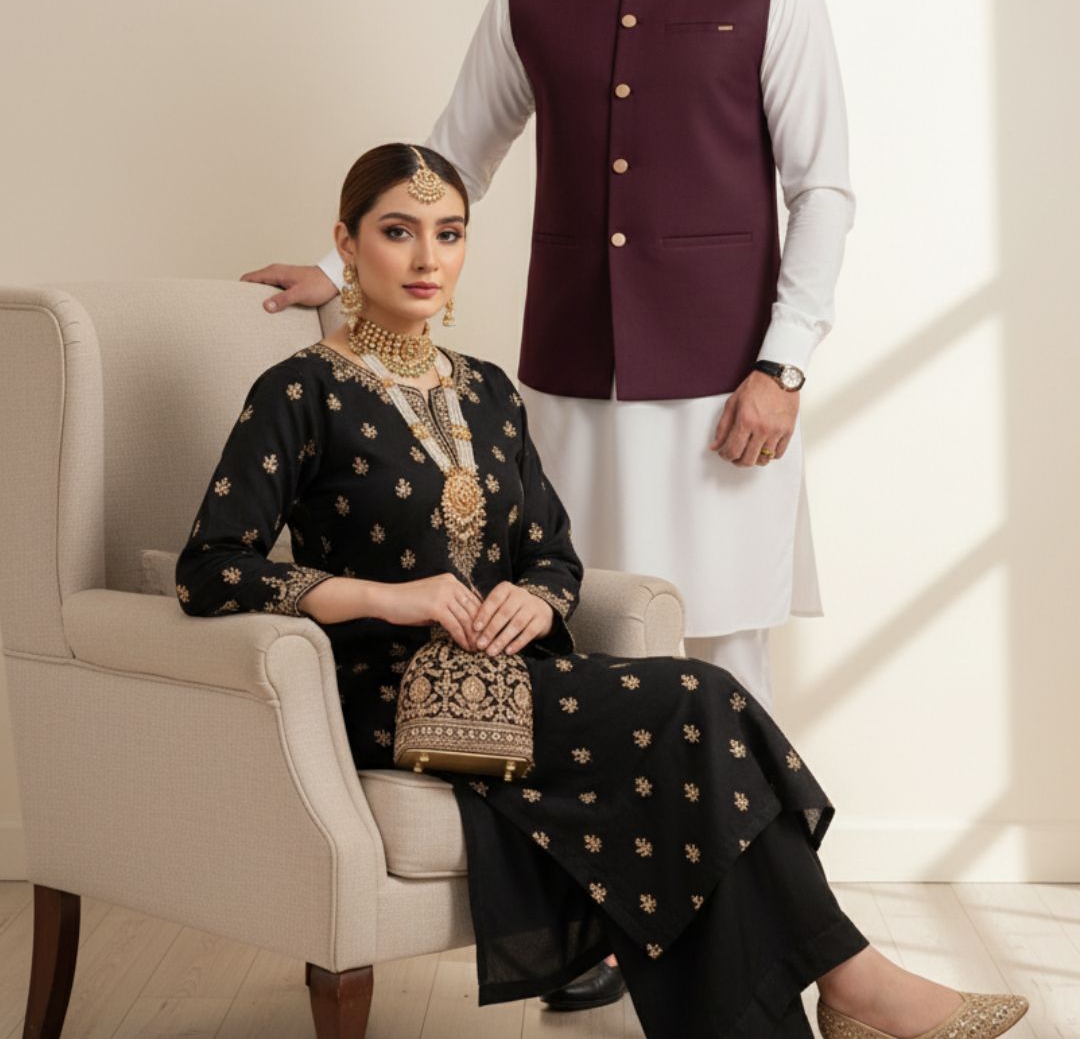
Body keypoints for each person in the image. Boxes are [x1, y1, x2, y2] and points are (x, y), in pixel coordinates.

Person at [180, 143, 1027, 1039]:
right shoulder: (299, 391)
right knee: (698, 700)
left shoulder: (487, 392)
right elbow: (213, 567)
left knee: (696, 753)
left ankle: (834, 1001)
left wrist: (540, 601)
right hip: (392, 694)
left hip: (520, 674)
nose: (428, 259)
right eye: (399, 233)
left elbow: (554, 553)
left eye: (449, 233)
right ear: (345, 247)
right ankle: (860, 987)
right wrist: (389, 598)